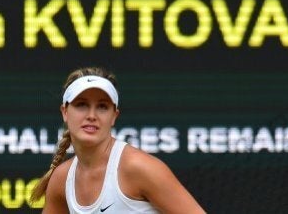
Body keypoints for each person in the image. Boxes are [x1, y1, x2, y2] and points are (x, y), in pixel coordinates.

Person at [30, 67, 206, 213]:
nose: (91, 115)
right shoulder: (61, 179)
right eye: (81, 104)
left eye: (102, 107)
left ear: (114, 116)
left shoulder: (138, 167)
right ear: (65, 112)